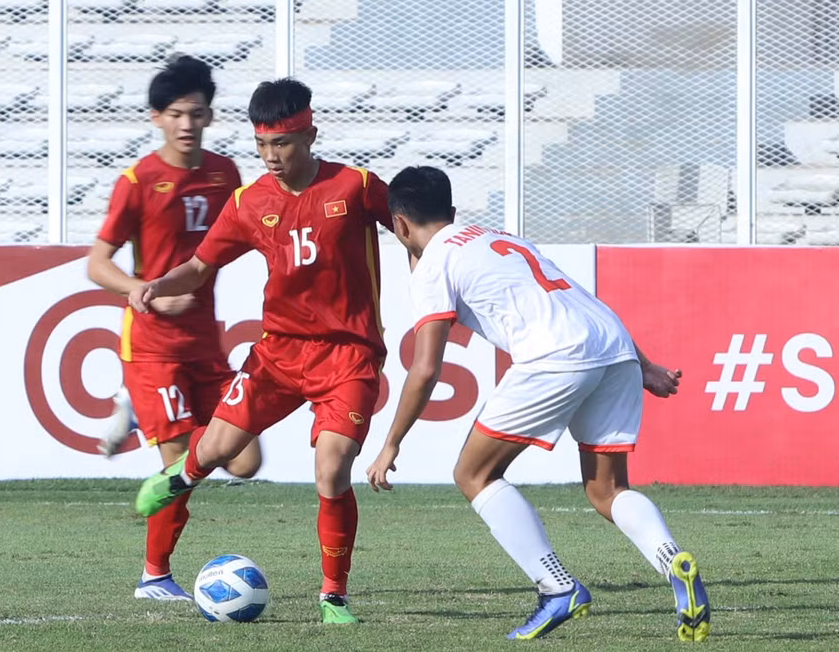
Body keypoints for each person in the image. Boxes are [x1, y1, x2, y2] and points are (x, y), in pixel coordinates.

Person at [365, 166, 710, 642]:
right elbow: (578, 299)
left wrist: (391, 443)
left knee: (473, 474)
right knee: (607, 491)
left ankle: (557, 587)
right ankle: (673, 562)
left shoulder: (433, 265)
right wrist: (644, 364)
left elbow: (425, 369)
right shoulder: (498, 237)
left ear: (400, 224)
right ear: (452, 211)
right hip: (613, 346)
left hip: (554, 355)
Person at [126, 78, 392, 624]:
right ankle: (181, 477)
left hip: (349, 356)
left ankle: (333, 596)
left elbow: (414, 230)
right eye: (262, 145)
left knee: (331, 470)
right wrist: (156, 286)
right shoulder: (249, 202)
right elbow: (199, 266)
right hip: (277, 355)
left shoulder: (356, 186)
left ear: (310, 136)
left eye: (283, 143)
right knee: (218, 447)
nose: (271, 156)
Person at [86, 55, 262, 601]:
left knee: (245, 461)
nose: (187, 124)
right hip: (153, 348)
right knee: (181, 467)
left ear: (210, 116)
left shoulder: (224, 174)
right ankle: (154, 576)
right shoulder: (137, 182)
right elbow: (97, 263)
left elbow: (246, 236)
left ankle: (136, 409)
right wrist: (142, 289)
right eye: (177, 114)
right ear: (156, 117)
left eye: (197, 113)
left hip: (206, 344)